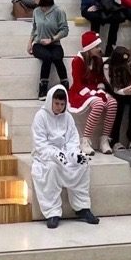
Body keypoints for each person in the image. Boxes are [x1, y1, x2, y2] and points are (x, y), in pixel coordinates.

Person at [30, 86, 99, 229]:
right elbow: (40, 144)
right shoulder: (40, 116)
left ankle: (82, 208)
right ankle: (52, 213)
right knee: (52, 168)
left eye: (62, 104)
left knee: (82, 165)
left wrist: (74, 155)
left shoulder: (68, 117)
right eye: (56, 103)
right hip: (46, 156)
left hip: (66, 154)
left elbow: (72, 140)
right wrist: (55, 154)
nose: (59, 107)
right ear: (50, 101)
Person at [68, 31, 118, 155]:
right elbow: (77, 83)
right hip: (80, 91)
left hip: (94, 89)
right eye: (96, 46)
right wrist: (92, 94)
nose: (99, 49)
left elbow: (100, 79)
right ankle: (85, 140)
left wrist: (100, 90)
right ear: (89, 48)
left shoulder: (98, 60)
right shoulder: (77, 61)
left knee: (112, 103)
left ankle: (104, 139)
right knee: (99, 104)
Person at [27, 0, 69, 99]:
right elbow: (34, 28)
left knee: (57, 57)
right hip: (39, 44)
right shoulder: (36, 11)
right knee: (47, 57)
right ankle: (43, 88)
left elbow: (65, 30)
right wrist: (29, 43)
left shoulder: (59, 11)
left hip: (54, 44)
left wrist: (52, 39)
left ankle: (65, 85)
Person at [107, 47, 131, 150]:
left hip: (125, 89)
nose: (127, 63)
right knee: (118, 103)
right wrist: (122, 92)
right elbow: (111, 85)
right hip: (113, 91)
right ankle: (114, 139)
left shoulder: (130, 64)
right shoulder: (107, 66)